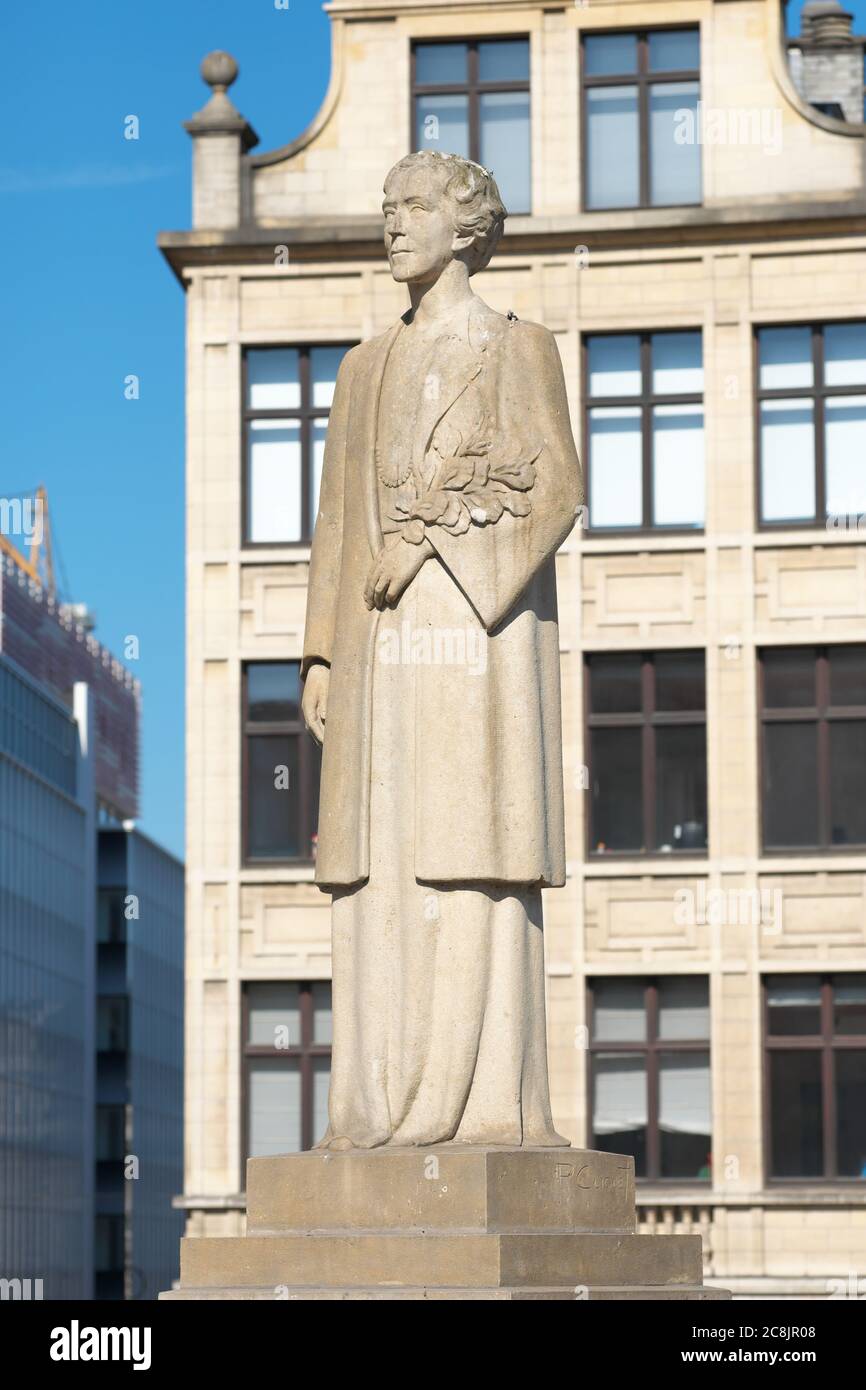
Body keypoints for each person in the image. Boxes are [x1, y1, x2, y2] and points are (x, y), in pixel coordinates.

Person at [301, 150, 583, 1149]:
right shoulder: (360, 366)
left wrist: (429, 537)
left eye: (412, 207)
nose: (393, 224)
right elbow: (336, 523)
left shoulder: (519, 346)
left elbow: (551, 487)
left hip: (471, 640)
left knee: (467, 849)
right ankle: (370, 1105)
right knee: (376, 856)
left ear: (466, 228)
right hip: (375, 647)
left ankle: (474, 1111)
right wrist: (320, 655)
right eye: (385, 208)